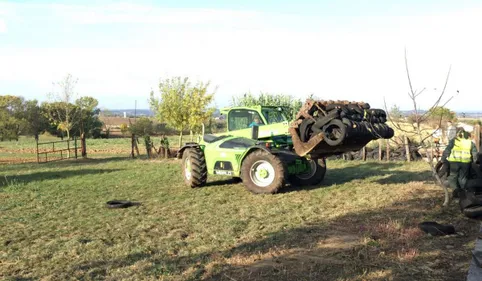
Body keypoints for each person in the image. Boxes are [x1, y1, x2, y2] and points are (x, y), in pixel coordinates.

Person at [441, 127, 478, 195]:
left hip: (454, 162)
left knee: (452, 177)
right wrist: (475, 161)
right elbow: (474, 152)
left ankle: (455, 190)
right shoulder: (470, 142)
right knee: (463, 178)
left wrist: (443, 159)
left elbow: (447, 150)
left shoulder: (454, 141)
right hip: (465, 163)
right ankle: (463, 192)